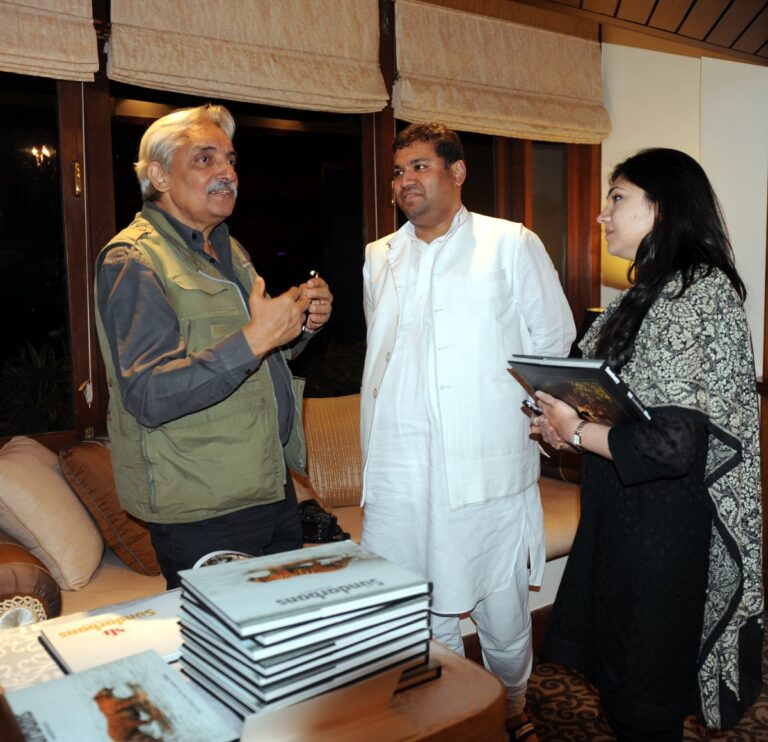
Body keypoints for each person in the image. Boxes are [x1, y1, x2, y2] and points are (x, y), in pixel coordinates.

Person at [534, 148, 763, 740]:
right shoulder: (645, 296)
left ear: (661, 208)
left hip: (662, 530)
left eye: (618, 198)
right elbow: (617, 412)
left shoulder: (697, 292)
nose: (603, 215)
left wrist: (576, 429)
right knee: (618, 685)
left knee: (644, 701)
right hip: (620, 516)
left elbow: (671, 446)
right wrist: (563, 427)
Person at [360, 122, 575, 739]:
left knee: (500, 608)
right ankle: (452, 716)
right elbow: (387, 357)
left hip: (483, 465)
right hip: (400, 471)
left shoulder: (510, 244)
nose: (405, 181)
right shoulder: (381, 256)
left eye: (420, 167)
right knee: (420, 609)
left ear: (457, 173)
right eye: (398, 171)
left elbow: (551, 345)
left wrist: (548, 421)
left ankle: (512, 707)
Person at [94, 104, 333, 588]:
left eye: (229, 160)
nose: (226, 172)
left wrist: (298, 327)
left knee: (280, 647)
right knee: (223, 658)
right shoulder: (133, 259)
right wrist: (255, 339)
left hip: (269, 486)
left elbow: (251, 360)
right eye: (204, 159)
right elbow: (149, 394)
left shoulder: (228, 249)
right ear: (159, 175)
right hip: (204, 507)